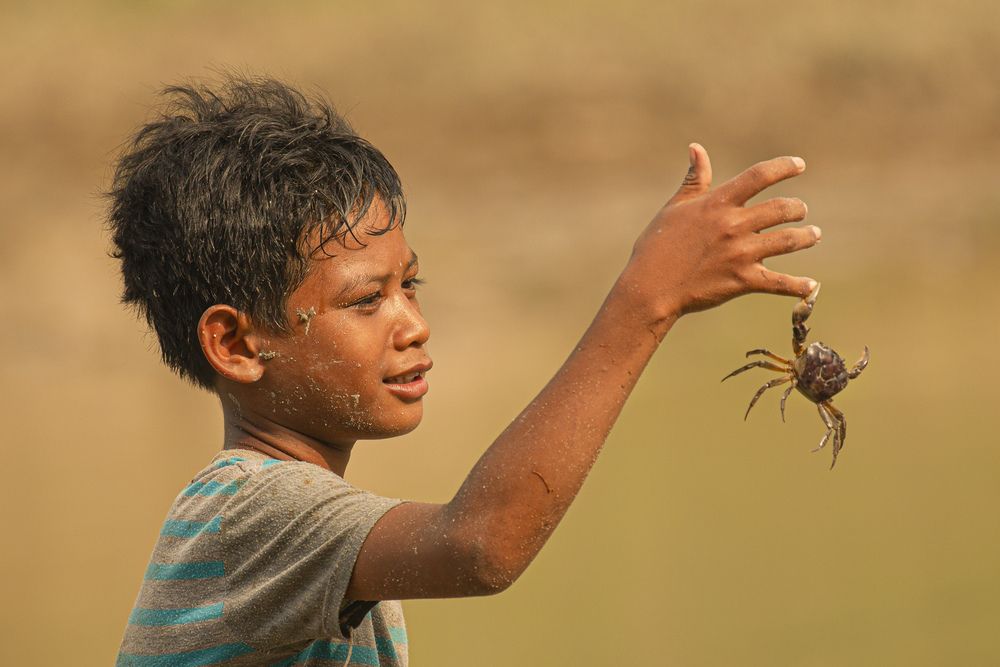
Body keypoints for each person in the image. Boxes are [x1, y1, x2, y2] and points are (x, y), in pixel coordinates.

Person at [109, 74, 819, 666]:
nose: (413, 324)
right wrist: (646, 300)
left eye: (409, 285)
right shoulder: (253, 514)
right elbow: (481, 544)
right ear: (235, 344)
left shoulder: (305, 524)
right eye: (366, 300)